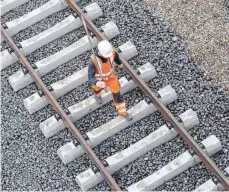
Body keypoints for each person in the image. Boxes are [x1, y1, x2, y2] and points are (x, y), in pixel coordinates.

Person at [88, 40, 133, 121]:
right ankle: (97, 95)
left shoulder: (111, 52)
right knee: (97, 89)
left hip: (111, 78)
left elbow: (116, 58)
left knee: (117, 94)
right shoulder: (93, 61)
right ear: (100, 52)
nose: (107, 57)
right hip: (99, 80)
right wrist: (97, 82)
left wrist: (119, 63)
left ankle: (123, 112)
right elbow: (90, 77)